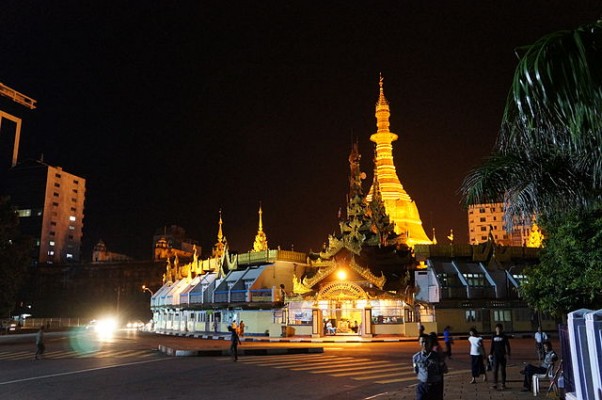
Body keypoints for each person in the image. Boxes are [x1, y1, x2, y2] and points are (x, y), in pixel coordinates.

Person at [413, 334, 447, 400]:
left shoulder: (437, 356)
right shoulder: (416, 357)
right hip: (422, 386)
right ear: (419, 343)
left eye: (426, 342)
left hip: (435, 386)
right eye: (422, 342)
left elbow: (445, 370)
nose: (424, 344)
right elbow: (416, 370)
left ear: (430, 343)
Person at [489, 323, 511, 390]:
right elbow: (492, 345)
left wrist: (508, 353)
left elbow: (507, 345)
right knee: (495, 369)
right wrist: (490, 353)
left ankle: (503, 384)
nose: (498, 330)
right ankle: (495, 384)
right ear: (495, 329)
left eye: (499, 328)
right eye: (497, 328)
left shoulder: (504, 336)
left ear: (501, 329)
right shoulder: (493, 336)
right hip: (496, 355)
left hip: (503, 355)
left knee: (503, 369)